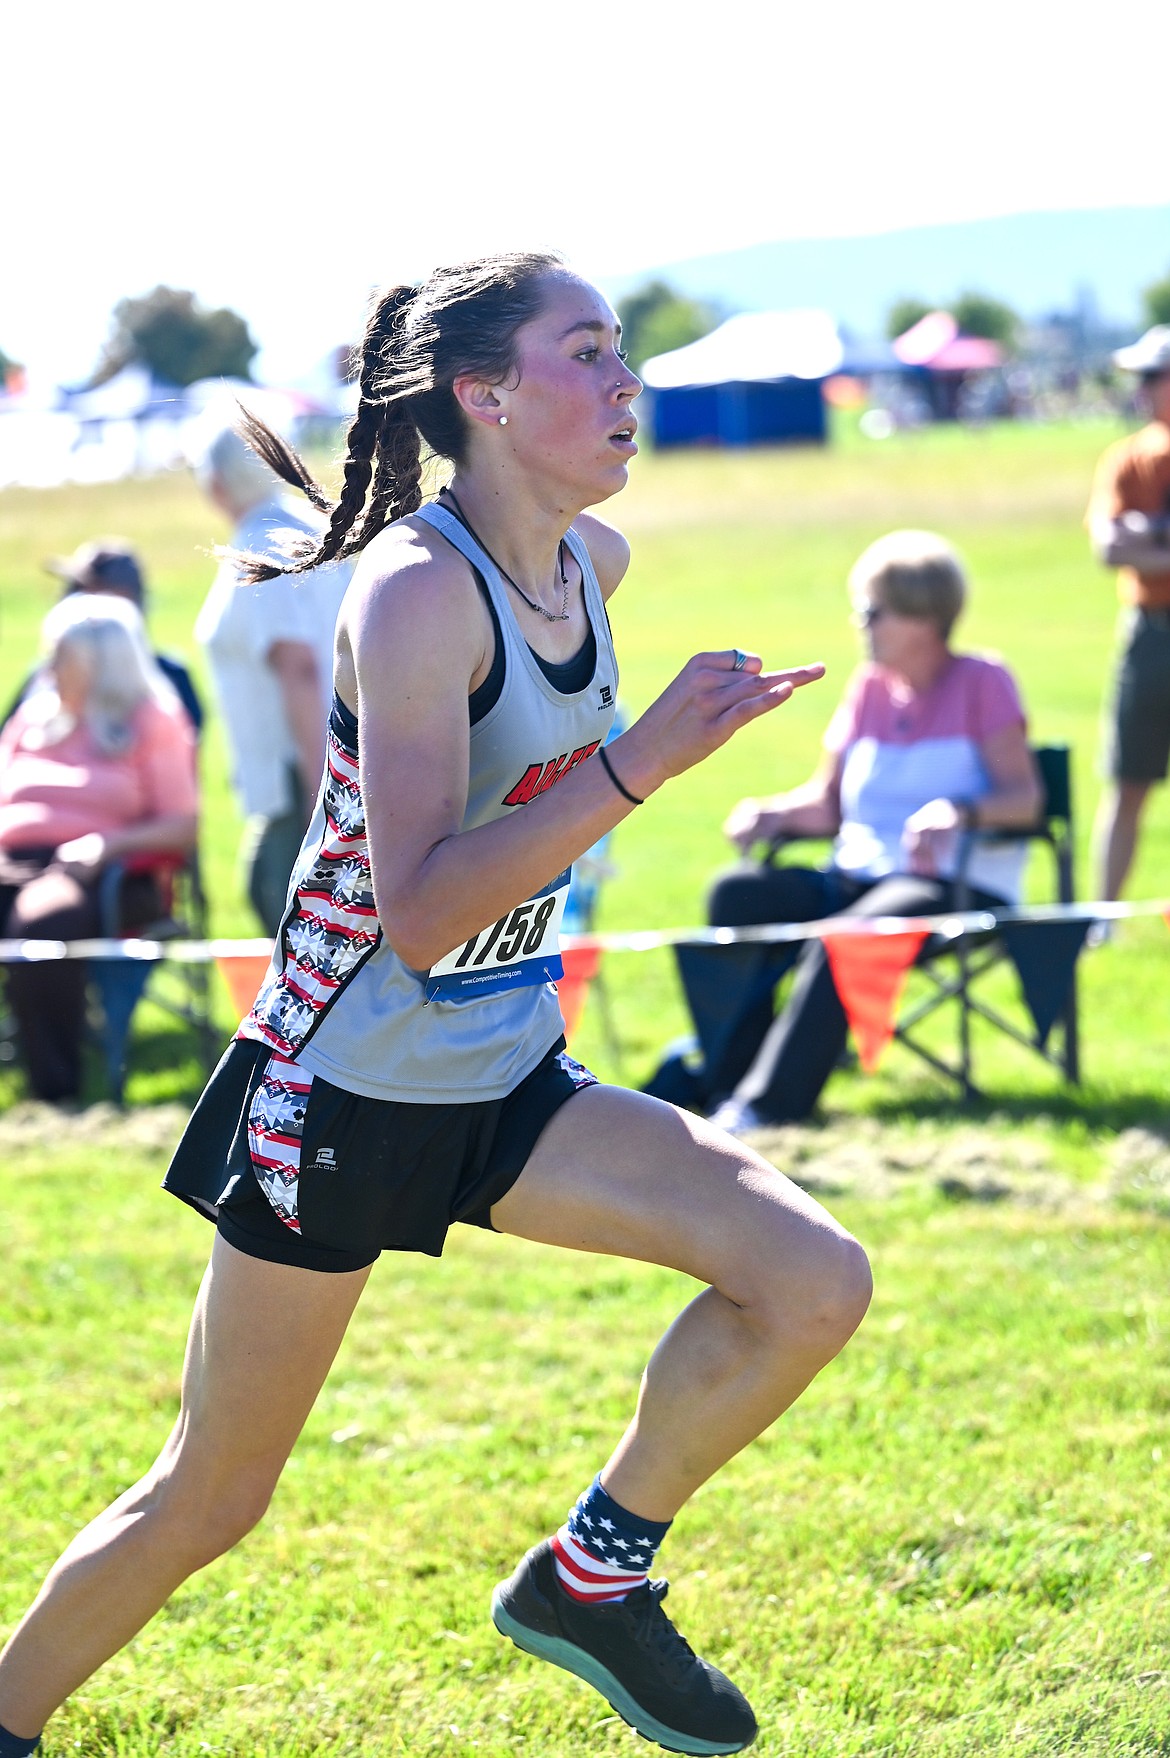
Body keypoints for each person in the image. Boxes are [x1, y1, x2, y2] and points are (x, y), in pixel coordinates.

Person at [0, 252, 870, 1758]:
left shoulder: (591, 569)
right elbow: (417, 910)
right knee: (209, 1497)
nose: (624, 382)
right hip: (339, 1091)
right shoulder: (415, 594)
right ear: (482, 395)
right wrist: (641, 760)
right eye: (585, 353)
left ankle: (590, 1583)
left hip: (503, 1078)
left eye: (619, 352)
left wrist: (635, 760)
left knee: (810, 1275)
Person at [698, 530, 1042, 1135]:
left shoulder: (983, 682)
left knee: (850, 935)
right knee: (737, 894)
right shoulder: (867, 690)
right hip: (856, 873)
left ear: (922, 617)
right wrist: (770, 814)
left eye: (871, 611)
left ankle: (768, 1108)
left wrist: (957, 810)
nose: (861, 624)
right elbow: (829, 806)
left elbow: (1025, 799)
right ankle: (728, 1083)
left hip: (954, 884)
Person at [0, 594, 198, 1102]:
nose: (48, 668)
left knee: (44, 926)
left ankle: (53, 1089)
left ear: (101, 664)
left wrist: (106, 845)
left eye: (61, 657)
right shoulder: (34, 716)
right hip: (11, 859)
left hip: (99, 871)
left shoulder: (153, 720)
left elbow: (182, 825)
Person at [194, 422, 352, 935]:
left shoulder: (265, 542)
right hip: (316, 768)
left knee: (295, 927)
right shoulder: (300, 526)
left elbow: (301, 671)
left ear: (216, 484)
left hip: (301, 777)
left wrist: (318, 797)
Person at [1086, 324, 1170, 901]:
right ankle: (1102, 917)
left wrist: (1152, 536)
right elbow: (1107, 547)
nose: (1141, 390)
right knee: (1128, 782)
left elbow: (1127, 543)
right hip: (1150, 631)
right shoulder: (1129, 456)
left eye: (1151, 377)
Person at [3, 539, 204, 736]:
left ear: (124, 600)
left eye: (80, 591)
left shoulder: (170, 681)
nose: (69, 599)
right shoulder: (45, 675)